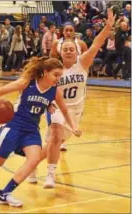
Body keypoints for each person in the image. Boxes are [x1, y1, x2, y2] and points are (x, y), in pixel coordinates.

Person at [0, 57, 81, 207]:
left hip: (31, 130)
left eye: (60, 75)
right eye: (56, 75)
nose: (59, 78)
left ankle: (4, 194)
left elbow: (65, 111)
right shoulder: (26, 83)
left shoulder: (55, 92)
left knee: (34, 159)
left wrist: (74, 127)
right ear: (45, 72)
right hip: (14, 125)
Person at [27, 8, 115, 188]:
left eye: (71, 49)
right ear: (60, 52)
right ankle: (51, 175)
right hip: (57, 108)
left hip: (76, 110)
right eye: (65, 49)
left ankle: (31, 165)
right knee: (56, 136)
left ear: (76, 51)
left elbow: (96, 44)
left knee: (54, 141)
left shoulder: (82, 63)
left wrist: (107, 27)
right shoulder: (53, 68)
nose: (68, 51)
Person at [50, 22, 87, 151]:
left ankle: (61, 140)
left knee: (70, 127)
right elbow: (52, 58)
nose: (69, 32)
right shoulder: (56, 43)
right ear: (63, 31)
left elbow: (86, 57)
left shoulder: (81, 44)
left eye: (71, 30)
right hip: (62, 76)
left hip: (76, 76)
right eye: (66, 30)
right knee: (57, 127)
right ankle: (56, 141)